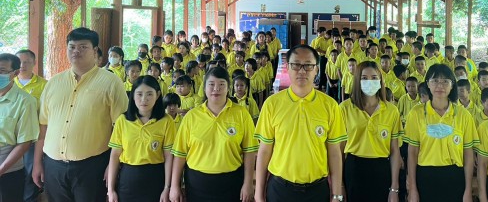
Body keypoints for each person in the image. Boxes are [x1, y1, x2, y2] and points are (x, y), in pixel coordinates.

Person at [33, 27, 129, 202]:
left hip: (92, 166)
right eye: (72, 46)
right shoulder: (54, 82)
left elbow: (121, 128)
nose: (76, 51)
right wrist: (37, 162)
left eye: (83, 47)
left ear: (95, 51)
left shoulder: (111, 82)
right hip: (53, 166)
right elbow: (43, 126)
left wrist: (113, 165)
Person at [254, 45, 347, 202]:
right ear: (288, 68)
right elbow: (264, 151)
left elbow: (334, 153)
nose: (302, 71)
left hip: (317, 191)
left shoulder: (330, 106)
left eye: (308, 65)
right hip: (280, 189)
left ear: (316, 69)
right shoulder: (272, 104)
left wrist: (337, 194)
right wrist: (258, 194)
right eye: (296, 64)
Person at [170, 67, 258, 202]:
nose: (216, 89)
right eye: (211, 84)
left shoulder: (241, 114)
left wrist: (247, 184)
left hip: (231, 181)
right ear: (204, 88)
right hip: (197, 183)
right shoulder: (192, 116)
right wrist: (174, 186)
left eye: (221, 84)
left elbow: (250, 151)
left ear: (229, 88)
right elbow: (180, 154)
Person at [404, 64, 478, 202]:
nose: (440, 85)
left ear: (452, 85)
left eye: (445, 81)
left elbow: (468, 155)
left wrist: (468, 190)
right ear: (427, 84)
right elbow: (412, 152)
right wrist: (413, 188)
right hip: (425, 176)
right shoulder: (416, 113)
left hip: (454, 176)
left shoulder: (463, 115)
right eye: (435, 80)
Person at [340, 61, 403, 202]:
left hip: (381, 169)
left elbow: (394, 151)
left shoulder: (391, 110)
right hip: (354, 168)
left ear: (381, 80)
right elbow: (339, 151)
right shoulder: (344, 108)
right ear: (357, 80)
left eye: (374, 78)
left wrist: (394, 188)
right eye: (364, 78)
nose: (370, 82)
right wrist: (340, 185)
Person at [107, 76, 175, 202]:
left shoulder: (166, 121)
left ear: (158, 95)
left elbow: (169, 156)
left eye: (149, 94)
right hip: (128, 179)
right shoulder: (123, 120)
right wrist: (110, 190)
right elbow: (115, 155)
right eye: (139, 94)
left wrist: (167, 187)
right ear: (133, 96)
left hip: (156, 179)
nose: (144, 99)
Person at [0, 53, 39, 202]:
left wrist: (1, 170)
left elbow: (24, 143)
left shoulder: (25, 101)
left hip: (8, 172)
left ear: (15, 73)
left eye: (2, 71)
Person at [14, 49, 47, 202]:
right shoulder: (8, 82)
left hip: (32, 138)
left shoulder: (44, 85)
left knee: (30, 172)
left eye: (26, 61)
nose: (22, 65)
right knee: (11, 173)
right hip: (9, 139)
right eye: (19, 61)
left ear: (34, 63)